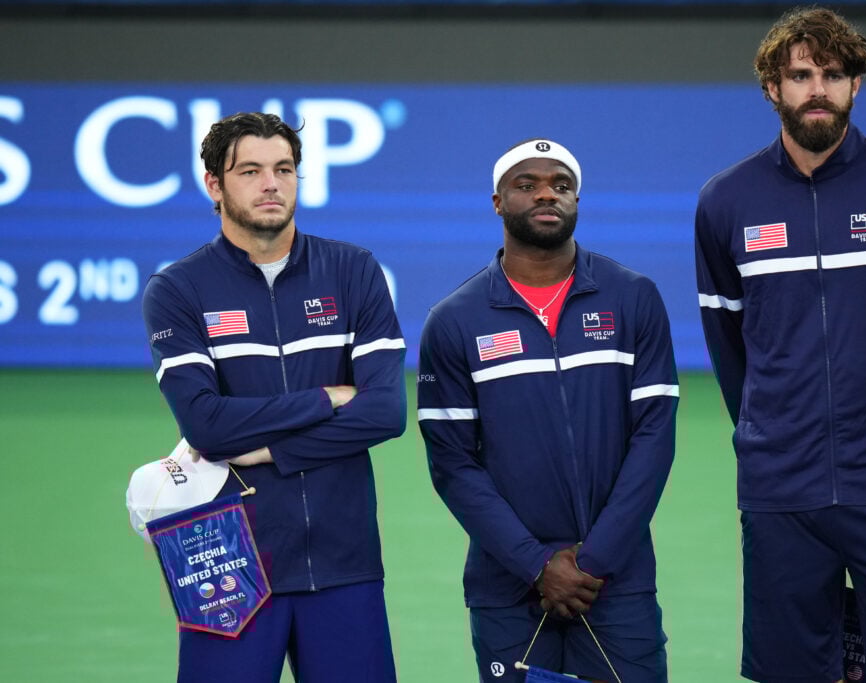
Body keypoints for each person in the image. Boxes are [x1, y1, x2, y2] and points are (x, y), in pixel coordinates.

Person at [694, 7, 866, 683]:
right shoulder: (726, 200)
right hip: (780, 488)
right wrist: (770, 427)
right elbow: (731, 350)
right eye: (800, 75)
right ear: (772, 88)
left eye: (833, 74)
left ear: (855, 86)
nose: (817, 88)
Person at [141, 112, 406, 683]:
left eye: (284, 168)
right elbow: (208, 427)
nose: (271, 184)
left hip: (344, 560)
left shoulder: (353, 270)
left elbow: (385, 411)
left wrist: (271, 452)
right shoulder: (177, 289)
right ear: (215, 184)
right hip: (222, 558)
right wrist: (328, 397)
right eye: (251, 171)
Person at [417, 138, 678, 682]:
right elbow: (453, 466)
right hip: (508, 587)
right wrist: (536, 566)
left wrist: (592, 563)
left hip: (615, 583)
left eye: (561, 185)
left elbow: (654, 439)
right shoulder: (454, 320)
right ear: (497, 202)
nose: (546, 194)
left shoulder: (633, 298)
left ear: (577, 200)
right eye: (526, 184)